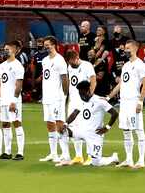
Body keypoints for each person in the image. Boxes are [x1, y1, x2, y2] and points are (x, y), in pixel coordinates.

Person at [108, 39, 145, 169]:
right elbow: (121, 84)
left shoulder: (140, 65)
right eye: (125, 48)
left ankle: (141, 160)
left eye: (128, 48)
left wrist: (140, 101)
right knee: (126, 131)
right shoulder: (125, 65)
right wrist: (109, 96)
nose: (125, 50)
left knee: (138, 130)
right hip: (124, 103)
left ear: (135, 49)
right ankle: (129, 159)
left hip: (133, 102)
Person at [60, 81, 120, 167]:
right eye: (80, 94)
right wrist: (65, 124)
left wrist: (107, 127)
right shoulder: (81, 101)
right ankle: (66, 158)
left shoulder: (99, 101)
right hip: (80, 131)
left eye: (82, 93)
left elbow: (115, 113)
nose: (81, 96)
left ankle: (113, 158)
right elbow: (74, 113)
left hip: (94, 135)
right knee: (61, 131)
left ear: (88, 91)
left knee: (96, 162)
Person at [38, 36, 69, 164]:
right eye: (45, 45)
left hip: (57, 98)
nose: (46, 47)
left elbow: (64, 79)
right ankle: (53, 153)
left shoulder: (60, 60)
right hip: (47, 97)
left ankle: (65, 154)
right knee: (50, 124)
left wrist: (65, 95)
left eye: (48, 45)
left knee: (60, 125)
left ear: (54, 45)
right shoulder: (45, 60)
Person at [0, 41, 24, 160]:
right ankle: (7, 152)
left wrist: (14, 101)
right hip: (3, 100)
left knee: (17, 123)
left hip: (13, 100)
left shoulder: (18, 66)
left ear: (14, 50)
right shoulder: (2, 66)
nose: (5, 51)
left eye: (7, 49)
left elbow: (18, 85)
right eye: (4, 49)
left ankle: (20, 152)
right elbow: (0, 84)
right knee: (5, 124)